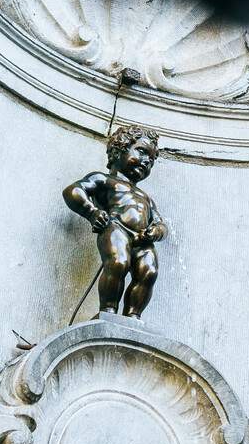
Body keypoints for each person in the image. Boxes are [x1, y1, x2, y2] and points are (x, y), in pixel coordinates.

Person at [63, 124, 170, 318]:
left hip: (142, 239)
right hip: (116, 227)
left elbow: (160, 222)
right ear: (119, 148)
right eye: (142, 152)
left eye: (151, 160)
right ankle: (108, 311)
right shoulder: (104, 180)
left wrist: (156, 231)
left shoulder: (146, 197)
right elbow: (74, 191)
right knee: (118, 262)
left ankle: (133, 316)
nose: (146, 161)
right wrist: (93, 213)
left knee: (149, 271)